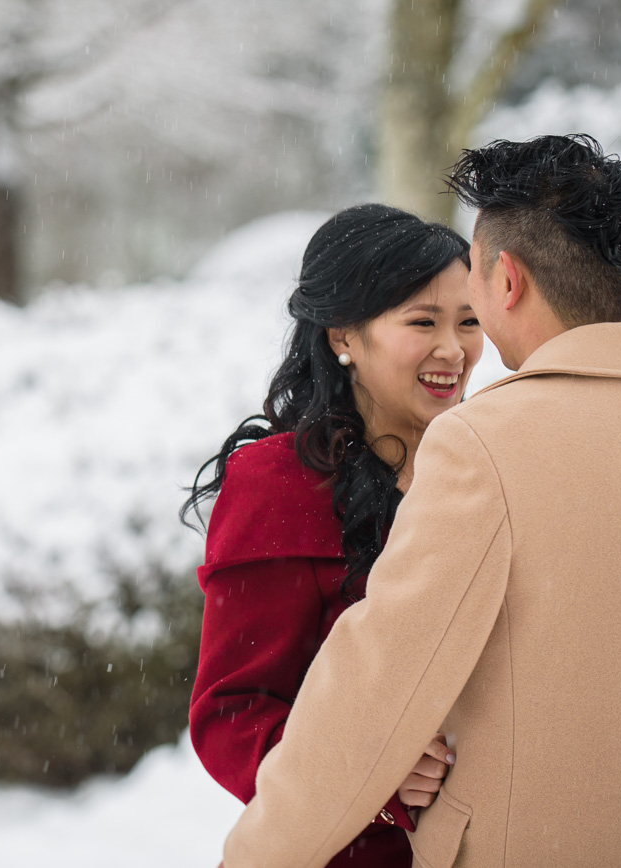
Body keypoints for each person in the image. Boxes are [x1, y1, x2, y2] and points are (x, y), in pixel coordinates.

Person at [221, 135, 621, 868]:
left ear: (507, 281)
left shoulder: (482, 442)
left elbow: (372, 696)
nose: (459, 343)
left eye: (468, 305)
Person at [186, 204, 481, 868]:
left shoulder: (487, 466)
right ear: (344, 335)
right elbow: (231, 714)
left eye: (469, 321)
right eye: (422, 322)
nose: (454, 349)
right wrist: (375, 778)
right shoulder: (279, 484)